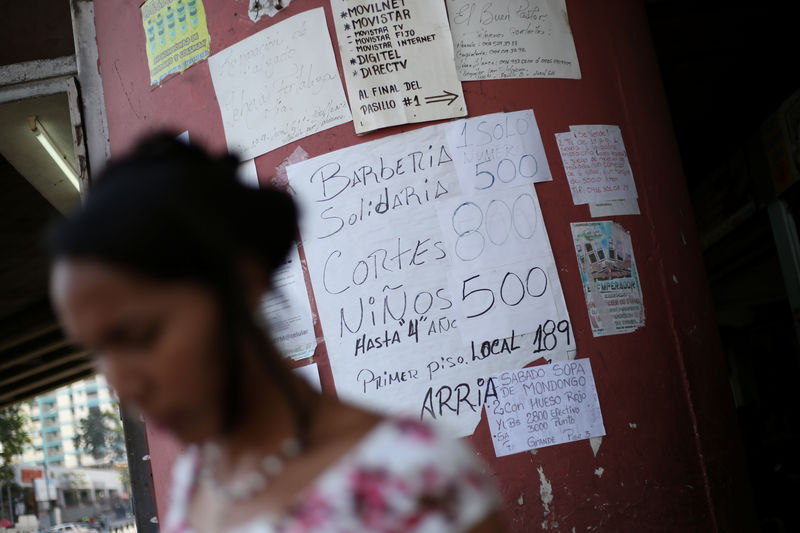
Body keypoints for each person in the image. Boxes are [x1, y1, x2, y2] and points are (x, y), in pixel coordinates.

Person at [48, 135, 505, 533]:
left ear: (242, 283)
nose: (123, 385)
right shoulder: (199, 475)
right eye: (96, 352)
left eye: (141, 335)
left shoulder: (413, 479)